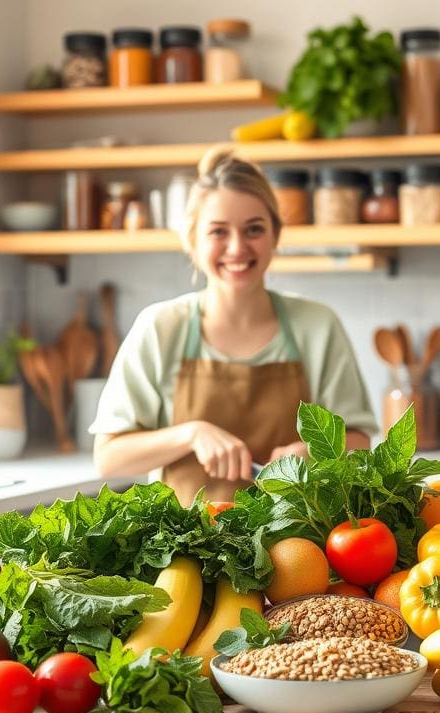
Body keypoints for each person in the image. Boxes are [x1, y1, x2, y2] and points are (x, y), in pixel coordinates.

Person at [90, 148, 377, 505]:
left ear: (275, 235)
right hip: (186, 549)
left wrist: (310, 451)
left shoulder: (317, 326)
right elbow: (108, 457)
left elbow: (359, 441)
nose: (237, 247)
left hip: (297, 547)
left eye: (254, 229)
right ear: (192, 241)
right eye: (218, 232)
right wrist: (191, 435)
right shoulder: (160, 328)